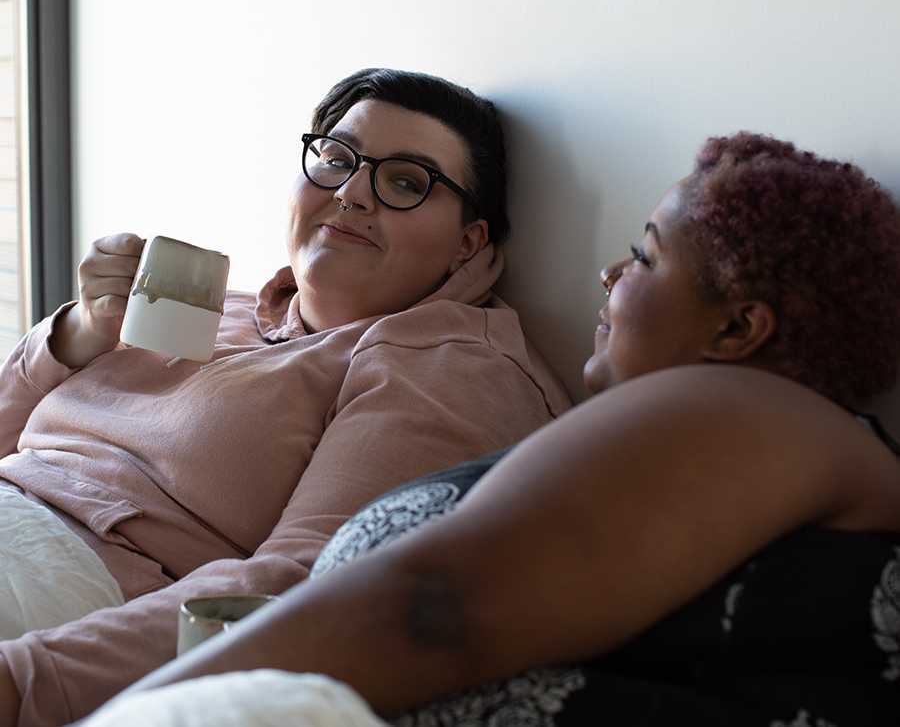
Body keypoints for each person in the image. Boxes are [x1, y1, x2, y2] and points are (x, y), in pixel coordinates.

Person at [84, 132, 900, 727]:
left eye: (645, 256)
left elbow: (433, 608)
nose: (610, 274)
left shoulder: (748, 410)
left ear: (738, 331)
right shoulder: (740, 442)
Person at [0, 68, 571, 726]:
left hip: (69, 587)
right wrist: (79, 331)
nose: (352, 192)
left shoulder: (443, 365)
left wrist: (23, 682)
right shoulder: (217, 305)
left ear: (469, 242)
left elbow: (302, 585)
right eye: (337, 159)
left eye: (406, 182)